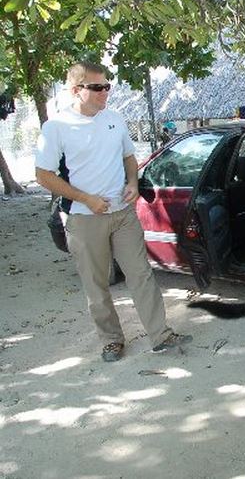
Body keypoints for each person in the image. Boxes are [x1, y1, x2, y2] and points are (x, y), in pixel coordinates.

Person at [35, 62, 192, 362]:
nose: (105, 92)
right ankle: (111, 340)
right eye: (97, 87)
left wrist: (132, 182)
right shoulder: (56, 127)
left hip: (122, 213)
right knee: (96, 284)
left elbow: (129, 157)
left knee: (141, 275)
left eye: (107, 86)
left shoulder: (115, 119)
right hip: (84, 217)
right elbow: (44, 175)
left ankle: (160, 335)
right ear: (75, 90)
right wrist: (86, 199)